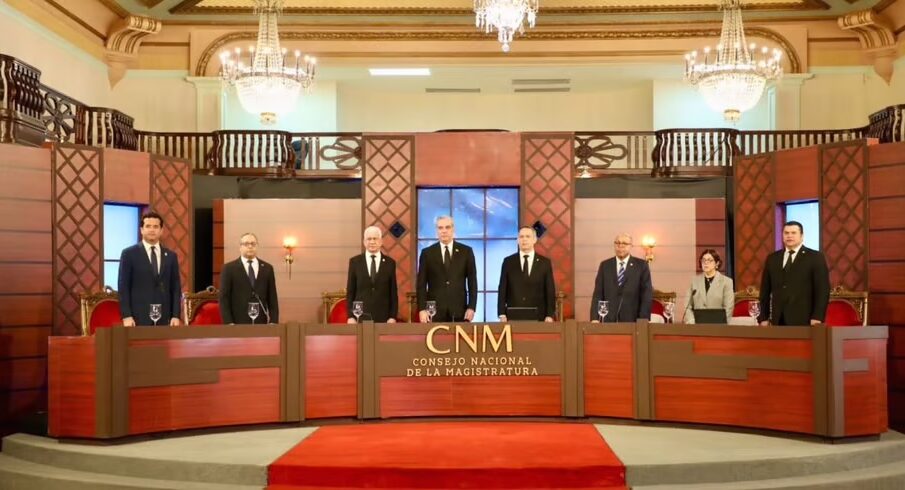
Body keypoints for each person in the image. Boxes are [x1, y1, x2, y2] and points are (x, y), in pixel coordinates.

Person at [758, 221, 830, 326]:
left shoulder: (815, 257)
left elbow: (822, 290)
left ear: (802, 236)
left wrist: (817, 317)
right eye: (786, 233)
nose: (789, 236)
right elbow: (765, 291)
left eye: (793, 233)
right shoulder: (772, 258)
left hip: (804, 319)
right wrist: (763, 317)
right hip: (778, 319)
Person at [118, 211, 182, 327]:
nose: (152, 230)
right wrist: (126, 315)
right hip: (137, 318)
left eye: (156, 227)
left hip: (165, 318)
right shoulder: (129, 254)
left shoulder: (171, 256)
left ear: (161, 230)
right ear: (141, 230)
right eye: (148, 226)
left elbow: (175, 288)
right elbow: (123, 287)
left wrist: (175, 315)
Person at [417, 216, 478, 323]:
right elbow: (421, 284)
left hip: (459, 310)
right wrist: (422, 309)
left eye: (447, 227)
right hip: (434, 312)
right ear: (436, 231)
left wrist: (471, 307)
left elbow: (472, 282)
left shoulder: (466, 252)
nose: (444, 231)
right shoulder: (427, 253)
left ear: (453, 229)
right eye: (440, 228)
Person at [589, 233, 652, 323]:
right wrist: (594, 318)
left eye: (624, 243)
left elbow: (646, 294)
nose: (620, 246)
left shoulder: (641, 266)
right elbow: (598, 293)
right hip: (608, 320)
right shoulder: (605, 265)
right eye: (617, 243)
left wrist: (643, 320)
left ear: (631, 246)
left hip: (633, 320)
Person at [498, 226, 556, 322]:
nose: (524, 239)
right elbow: (502, 288)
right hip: (513, 316)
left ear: (534, 240)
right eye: (521, 237)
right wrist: (501, 313)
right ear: (517, 240)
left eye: (528, 236)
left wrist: (549, 315)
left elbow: (550, 290)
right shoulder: (508, 262)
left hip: (539, 316)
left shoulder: (544, 263)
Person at [219, 232, 279, 324]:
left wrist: (273, 321)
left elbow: (272, 298)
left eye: (253, 244)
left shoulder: (267, 268)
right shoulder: (229, 268)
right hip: (237, 323)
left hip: (261, 323)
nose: (250, 246)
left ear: (257, 246)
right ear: (240, 247)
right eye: (246, 244)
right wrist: (228, 322)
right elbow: (224, 298)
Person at [346, 226, 398, 323]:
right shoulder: (355, 262)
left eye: (375, 238)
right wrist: (350, 316)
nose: (372, 242)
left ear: (381, 241)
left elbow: (393, 293)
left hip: (384, 318)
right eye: (369, 239)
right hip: (360, 316)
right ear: (364, 242)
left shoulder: (390, 263)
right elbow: (350, 291)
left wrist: (393, 316)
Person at [683, 249, 734, 324]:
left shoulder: (726, 282)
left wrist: (717, 323)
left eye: (710, 260)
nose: (706, 263)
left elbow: (728, 308)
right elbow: (687, 306)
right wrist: (692, 321)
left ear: (717, 263)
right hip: (697, 325)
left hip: (718, 326)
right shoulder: (694, 281)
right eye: (703, 260)